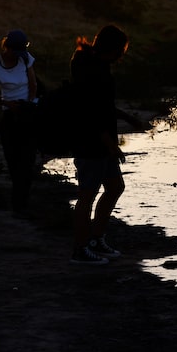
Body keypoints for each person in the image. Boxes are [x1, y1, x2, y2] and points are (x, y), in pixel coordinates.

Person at [70, 25, 149, 265]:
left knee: (115, 187)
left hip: (102, 141)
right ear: (111, 48)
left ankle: (96, 239)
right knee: (87, 195)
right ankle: (80, 250)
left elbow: (103, 106)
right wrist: (111, 146)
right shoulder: (91, 69)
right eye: (121, 50)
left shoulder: (96, 64)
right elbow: (92, 112)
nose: (122, 55)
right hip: (90, 141)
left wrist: (128, 118)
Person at [0, 30, 39, 215]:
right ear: (6, 48)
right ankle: (19, 202)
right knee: (13, 161)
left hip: (28, 112)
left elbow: (33, 85)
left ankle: (21, 204)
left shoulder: (25, 59)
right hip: (9, 115)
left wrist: (28, 105)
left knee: (27, 161)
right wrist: (6, 103)